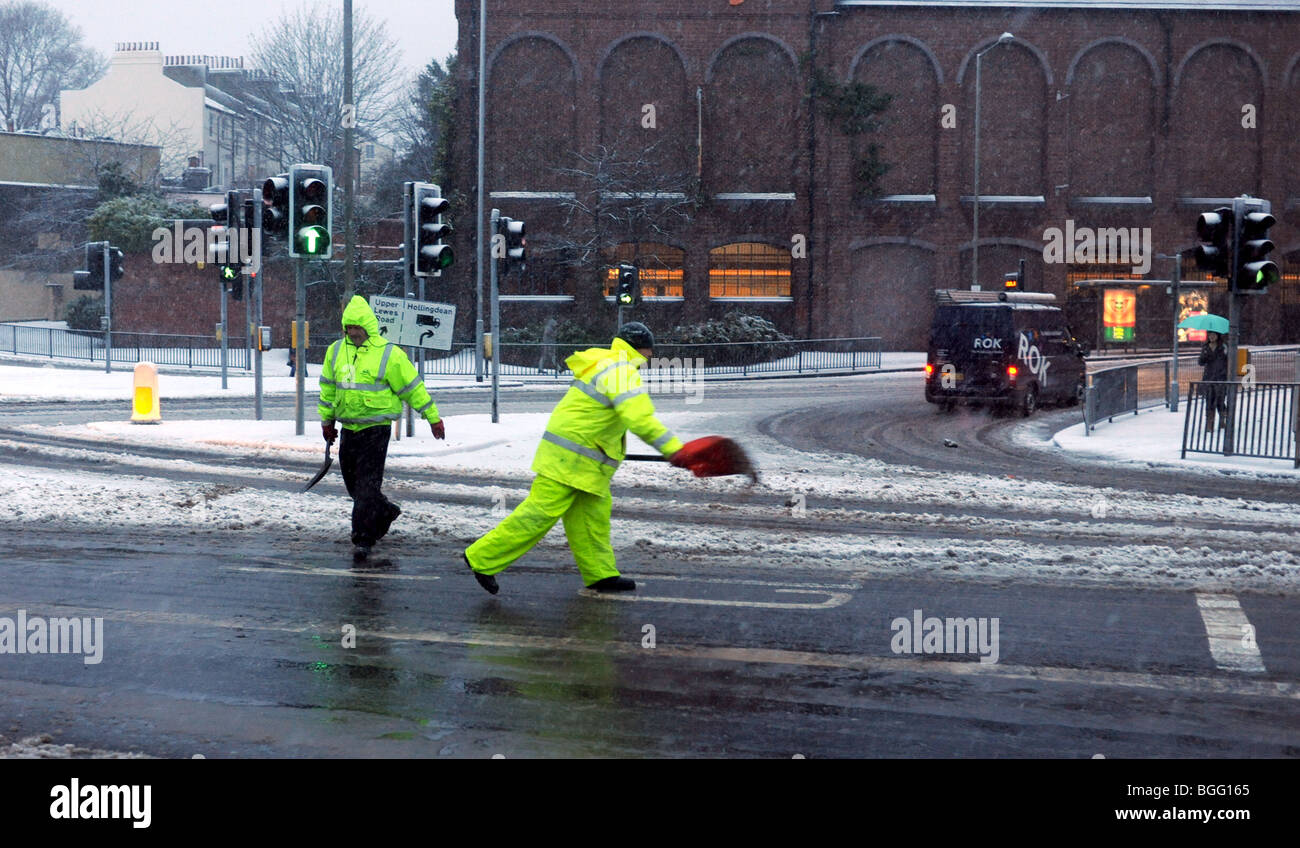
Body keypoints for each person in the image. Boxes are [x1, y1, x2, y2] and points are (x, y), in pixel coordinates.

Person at [464, 322, 683, 594]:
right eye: (650, 353)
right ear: (642, 349)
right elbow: (639, 417)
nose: (650, 359)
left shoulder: (608, 363)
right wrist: (675, 450)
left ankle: (600, 574)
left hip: (584, 463)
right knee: (538, 515)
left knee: (592, 519)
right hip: (571, 460)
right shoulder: (621, 370)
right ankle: (481, 558)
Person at [319, 296, 446, 560]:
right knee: (354, 485)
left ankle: (363, 537)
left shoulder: (389, 354)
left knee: (367, 485)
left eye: (357, 328)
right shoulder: (335, 351)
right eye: (348, 327)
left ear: (368, 327)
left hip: (376, 430)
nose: (353, 332)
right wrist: (327, 422)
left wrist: (432, 416)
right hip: (348, 429)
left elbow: (412, 387)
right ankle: (385, 511)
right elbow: (328, 389)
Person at [1199, 330, 1229, 431]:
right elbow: (1201, 362)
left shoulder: (1223, 347)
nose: (1211, 337)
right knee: (1209, 401)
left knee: (1220, 400)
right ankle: (1209, 424)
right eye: (1210, 335)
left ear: (1217, 336)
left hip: (1221, 378)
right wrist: (1205, 355)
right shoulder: (1206, 347)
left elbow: (1229, 360)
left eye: (1213, 335)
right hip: (1209, 378)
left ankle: (1222, 419)